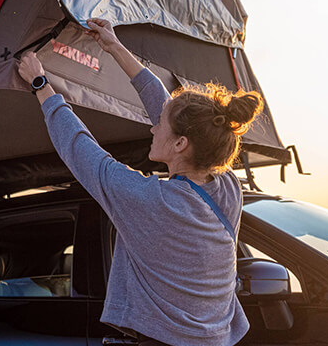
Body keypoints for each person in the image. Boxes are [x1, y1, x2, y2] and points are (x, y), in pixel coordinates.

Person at [17, 17, 263, 346]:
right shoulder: (227, 189)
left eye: (158, 124)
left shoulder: (151, 201)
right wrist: (114, 47)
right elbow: (167, 109)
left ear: (180, 145)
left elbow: (82, 151)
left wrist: (40, 85)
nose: (151, 127)